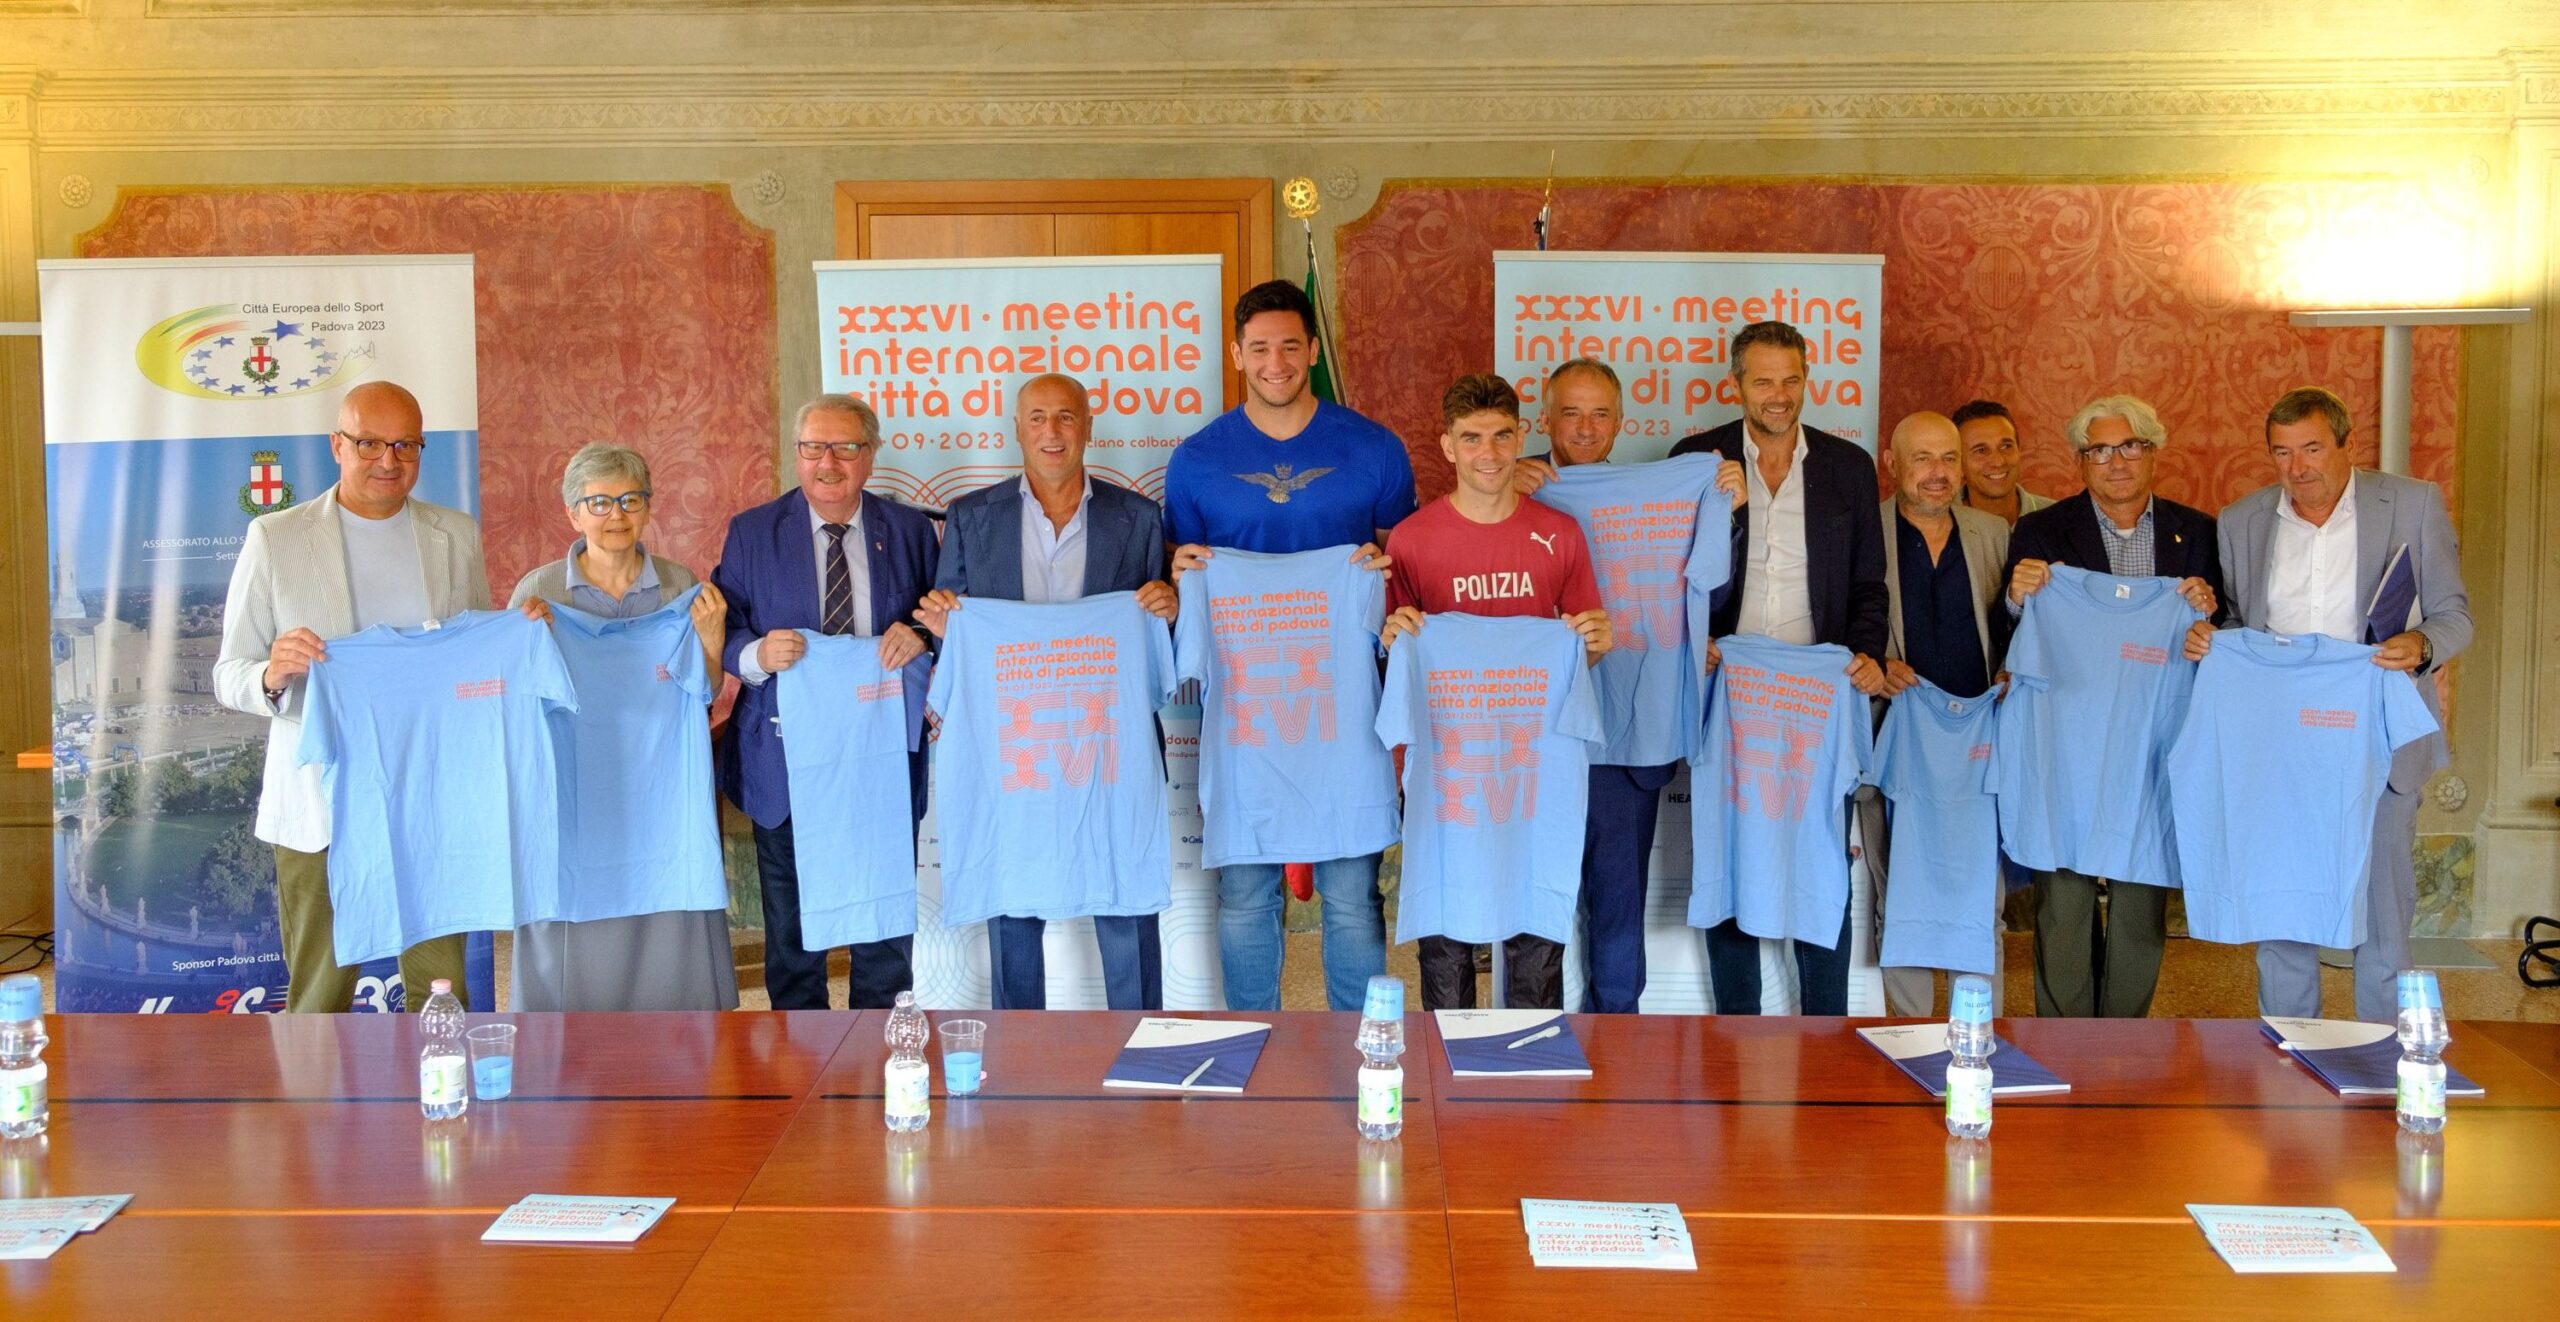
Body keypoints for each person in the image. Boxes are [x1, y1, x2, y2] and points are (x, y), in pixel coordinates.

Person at [214, 380, 507, 1012]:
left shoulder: (455, 535)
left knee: (441, 989)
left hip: (430, 793)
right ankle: (315, 1082)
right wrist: (271, 675)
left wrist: (515, 637)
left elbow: (474, 657)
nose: (388, 460)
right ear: (337, 445)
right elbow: (229, 671)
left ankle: (440, 1076)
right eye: (369, 443)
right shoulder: (276, 536)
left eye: (406, 445)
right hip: (321, 798)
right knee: (319, 993)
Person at [1165, 279, 1417, 1012]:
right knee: (1245, 894)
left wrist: (1379, 569)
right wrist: (1180, 572)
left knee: (1351, 894)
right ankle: (1256, 1041)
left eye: (1288, 346)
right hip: (1246, 714)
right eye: (1259, 348)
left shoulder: (1374, 448)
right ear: (1236, 354)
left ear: (1311, 350)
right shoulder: (1196, 459)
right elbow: (1179, 574)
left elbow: (1403, 560)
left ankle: (1358, 1045)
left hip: (1344, 705)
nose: (1274, 363)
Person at [2194, 386, 2471, 1023]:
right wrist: (2213, 640)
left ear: (2348, 445)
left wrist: (2422, 644)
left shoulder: (2411, 504)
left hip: (2378, 732)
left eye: (2313, 448)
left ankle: (2384, 1050)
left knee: (2383, 911)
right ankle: (2290, 1044)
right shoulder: (2241, 519)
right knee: (2281, 903)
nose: (2298, 468)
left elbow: (2455, 614)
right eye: (2282, 453)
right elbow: (2239, 622)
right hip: (2279, 743)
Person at [914, 373, 1179, 1011]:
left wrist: (1168, 608)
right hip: (1014, 743)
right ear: (1017, 429)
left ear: (1088, 427)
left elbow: (1156, 635)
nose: (1051, 431)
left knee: (1123, 896)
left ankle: (1140, 1036)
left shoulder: (1139, 517)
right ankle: (1018, 1047)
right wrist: (946, 627)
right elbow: (952, 632)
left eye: (1065, 416)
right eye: (1037, 417)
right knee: (1012, 901)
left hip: (1107, 743)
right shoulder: (971, 517)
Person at [1669, 321, 1888, 1016]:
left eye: (1791, 379)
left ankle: (1825, 1031)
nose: (1779, 394)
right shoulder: (1695, 459)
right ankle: (1737, 1031)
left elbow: (1869, 584)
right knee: (1732, 849)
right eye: (1763, 380)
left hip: (1817, 692)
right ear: (1736, 385)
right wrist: (1698, 639)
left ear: (1807, 380)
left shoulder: (1848, 466)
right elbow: (1675, 578)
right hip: (1730, 689)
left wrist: (1866, 654)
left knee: (1821, 854)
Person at [1381, 373, 1610, 1010]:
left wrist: (1595, 641)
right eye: (1472, 438)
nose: (1489, 452)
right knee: (1446, 933)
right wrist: (1395, 636)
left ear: (1521, 436)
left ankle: (1527, 1054)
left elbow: (1583, 652)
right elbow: (1397, 658)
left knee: (1534, 925)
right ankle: (1445, 1054)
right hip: (1448, 764)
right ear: (1448, 446)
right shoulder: (1412, 539)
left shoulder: (1559, 534)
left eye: (1502, 436)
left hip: (1533, 761)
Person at [1518, 358, 1740, 1013]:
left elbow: (1708, 595)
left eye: (1600, 414)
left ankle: (1616, 1040)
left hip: (1628, 734)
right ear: (1545, 419)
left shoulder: (1668, 493)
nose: (1586, 428)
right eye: (1571, 413)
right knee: (1532, 906)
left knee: (1617, 904)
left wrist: (1721, 510)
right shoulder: (1511, 488)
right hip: (1538, 735)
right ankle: (1530, 1039)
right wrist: (1497, 487)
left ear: (1621, 422)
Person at [713, 394, 937, 1010]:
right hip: (784, 757)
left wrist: (921, 635)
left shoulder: (911, 531)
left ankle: (882, 1044)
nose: (828, 462)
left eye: (845, 447)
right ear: (798, 453)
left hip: (880, 756)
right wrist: (756, 654)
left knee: (884, 929)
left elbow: (943, 613)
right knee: (791, 936)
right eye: (814, 447)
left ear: (871, 454)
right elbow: (723, 625)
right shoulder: (753, 532)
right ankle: (799, 1053)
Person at [2003, 393, 2222, 1018]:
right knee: (2063, 900)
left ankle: (2124, 1040)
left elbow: (2219, 633)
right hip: (2066, 738)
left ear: (2153, 453)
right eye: (2100, 450)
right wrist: (2020, 598)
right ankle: (2064, 1041)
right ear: (2080, 461)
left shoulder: (2197, 532)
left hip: (2153, 738)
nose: (2116, 461)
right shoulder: (2042, 532)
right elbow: (2009, 626)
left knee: (2141, 895)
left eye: (2130, 446)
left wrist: (2209, 614)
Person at [506, 442, 739, 1012]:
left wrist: (712, 644)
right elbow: (514, 702)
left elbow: (702, 695)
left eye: (631, 500)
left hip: (662, 788)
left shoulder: (680, 586)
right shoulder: (538, 593)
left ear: (648, 507)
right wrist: (523, 642)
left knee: (667, 899)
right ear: (573, 514)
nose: (617, 514)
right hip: (576, 789)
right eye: (600, 502)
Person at [1865, 412, 2011, 1015]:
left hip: (1977, 743)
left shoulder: (1993, 534)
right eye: (1922, 458)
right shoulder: (1862, 531)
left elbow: (2015, 626)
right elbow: (1833, 617)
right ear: (1892, 463)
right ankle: (1912, 1032)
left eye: (1950, 458)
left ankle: (1980, 1033)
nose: (1938, 473)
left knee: (1983, 894)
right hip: (1891, 731)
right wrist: (1874, 660)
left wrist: (2012, 669)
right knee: (1897, 889)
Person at [1951, 400, 2054, 525]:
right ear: (1958, 463)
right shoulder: (1941, 524)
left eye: (2006, 446)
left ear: (2019, 450)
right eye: (1981, 450)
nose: (1998, 461)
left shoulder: (2059, 518)